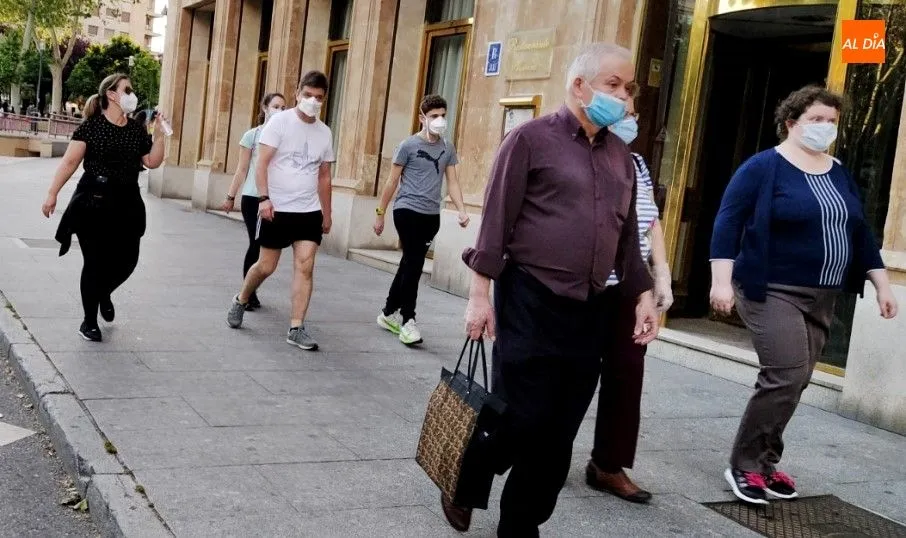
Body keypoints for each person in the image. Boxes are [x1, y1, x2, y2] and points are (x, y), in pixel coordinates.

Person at [450, 43, 660, 537]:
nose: (624, 97)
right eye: (613, 85)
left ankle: (521, 526)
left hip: (593, 307)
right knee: (522, 416)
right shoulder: (529, 140)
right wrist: (480, 297)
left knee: (560, 426)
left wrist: (643, 294)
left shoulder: (621, 158)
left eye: (628, 88)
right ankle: (465, 479)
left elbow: (628, 237)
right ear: (579, 85)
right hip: (529, 296)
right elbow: (495, 223)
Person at [710, 85, 899, 505]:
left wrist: (881, 283)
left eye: (832, 121)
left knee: (796, 382)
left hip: (824, 294)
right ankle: (743, 465)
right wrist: (721, 280)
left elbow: (860, 232)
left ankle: (765, 463)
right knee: (786, 373)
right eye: (816, 119)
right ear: (791, 122)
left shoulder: (838, 170)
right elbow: (727, 222)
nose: (825, 128)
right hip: (770, 289)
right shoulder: (764, 167)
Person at [585, 100, 673, 504]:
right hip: (583, 287)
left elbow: (651, 222)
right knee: (569, 379)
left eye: (635, 111)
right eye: (624, 110)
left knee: (626, 374)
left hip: (627, 288)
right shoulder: (582, 156)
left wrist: (661, 277)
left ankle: (608, 464)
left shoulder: (637, 163)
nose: (632, 119)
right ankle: (538, 453)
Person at [41, 74, 168, 342]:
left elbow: (152, 161)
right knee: (95, 262)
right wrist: (52, 193)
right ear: (111, 94)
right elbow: (69, 163)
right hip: (94, 201)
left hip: (127, 202)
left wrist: (159, 135)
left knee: (128, 261)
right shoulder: (91, 127)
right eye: (127, 89)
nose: (131, 94)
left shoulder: (135, 129)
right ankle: (88, 322)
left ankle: (103, 293)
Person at [226, 71, 334, 352]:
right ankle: (241, 298)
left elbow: (324, 176)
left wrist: (327, 212)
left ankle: (296, 326)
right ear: (298, 93)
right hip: (277, 207)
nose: (312, 101)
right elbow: (261, 164)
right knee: (266, 266)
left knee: (305, 266)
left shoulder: (324, 133)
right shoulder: (279, 123)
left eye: (318, 98)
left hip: (308, 210)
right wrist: (264, 199)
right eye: (308, 95)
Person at [373, 94, 470, 345]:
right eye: (434, 116)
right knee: (415, 264)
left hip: (431, 215)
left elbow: (453, 181)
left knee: (409, 263)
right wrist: (380, 214)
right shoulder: (407, 146)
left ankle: (387, 313)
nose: (439, 120)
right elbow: (391, 181)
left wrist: (461, 209)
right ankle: (408, 321)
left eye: (442, 116)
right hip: (406, 211)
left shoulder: (448, 147)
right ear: (422, 118)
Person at [222, 92, 287, 311]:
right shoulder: (252, 135)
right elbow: (241, 169)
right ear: (265, 108)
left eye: (284, 107)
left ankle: (251, 291)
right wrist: (231, 196)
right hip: (253, 197)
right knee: (256, 243)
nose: (280, 110)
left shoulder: (286, 137)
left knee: (266, 249)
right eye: (276, 106)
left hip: (276, 198)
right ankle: (246, 294)